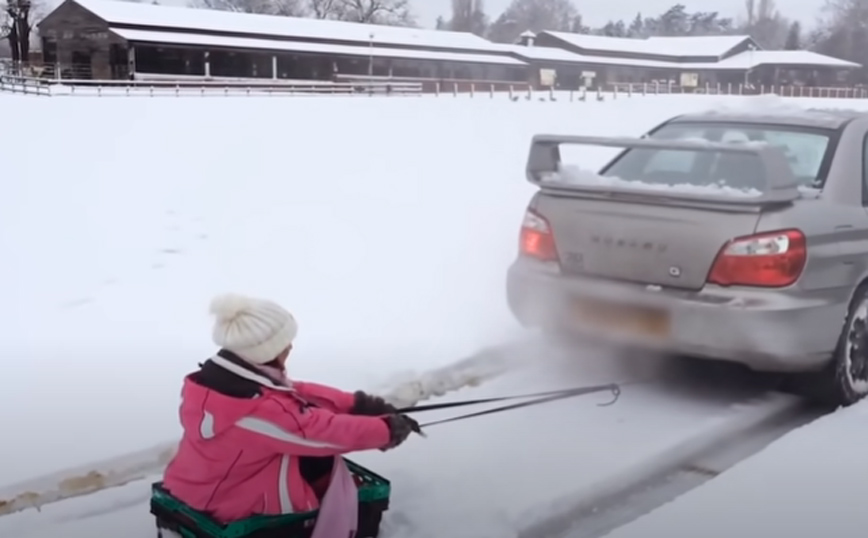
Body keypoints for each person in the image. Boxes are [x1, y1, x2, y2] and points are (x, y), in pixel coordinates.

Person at [162, 292, 419, 529]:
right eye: (285, 343)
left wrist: (360, 405)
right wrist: (386, 430)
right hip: (228, 508)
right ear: (265, 351)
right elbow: (319, 432)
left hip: (195, 488)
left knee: (311, 459)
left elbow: (297, 393)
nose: (290, 348)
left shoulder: (221, 385)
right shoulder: (258, 412)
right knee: (320, 456)